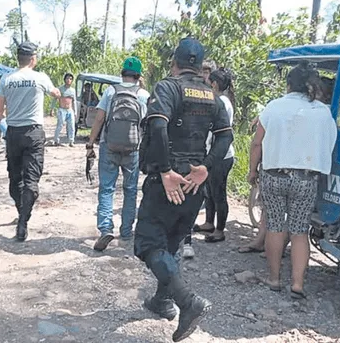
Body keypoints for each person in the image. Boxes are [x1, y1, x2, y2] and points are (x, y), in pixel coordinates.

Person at [135, 37, 233, 342]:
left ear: (175, 61)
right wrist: (205, 167)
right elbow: (226, 137)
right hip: (194, 183)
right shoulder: (212, 96)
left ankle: (187, 302)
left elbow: (158, 127)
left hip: (169, 180)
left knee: (148, 244)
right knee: (173, 243)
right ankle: (162, 301)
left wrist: (165, 170)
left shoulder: (168, 87)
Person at [248, 63, 337, 299]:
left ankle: (275, 279)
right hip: (305, 179)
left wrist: (252, 171)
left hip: (274, 175)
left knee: (275, 226)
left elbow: (257, 143)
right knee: (299, 231)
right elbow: (329, 143)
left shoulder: (274, 107)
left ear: (289, 84)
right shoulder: (322, 112)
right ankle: (297, 284)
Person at [0, 41, 62, 242]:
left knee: (15, 178)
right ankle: (23, 221)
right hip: (34, 133)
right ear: (33, 59)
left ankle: (21, 214)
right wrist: (55, 91)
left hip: (13, 133)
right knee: (31, 180)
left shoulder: (7, 79)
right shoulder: (40, 78)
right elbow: (56, 93)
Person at [86, 57, 150, 251]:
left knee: (107, 188)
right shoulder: (144, 95)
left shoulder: (111, 91)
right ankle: (126, 231)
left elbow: (99, 119)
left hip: (109, 145)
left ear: (122, 73)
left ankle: (106, 228)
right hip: (133, 148)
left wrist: (90, 144)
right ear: (138, 76)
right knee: (130, 190)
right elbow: (147, 125)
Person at [187, 68, 236, 255]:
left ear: (214, 84)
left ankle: (219, 229)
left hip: (220, 156)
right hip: (213, 153)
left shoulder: (221, 102)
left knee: (218, 192)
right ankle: (209, 222)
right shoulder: (223, 100)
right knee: (209, 191)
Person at [54, 72, 76, 147]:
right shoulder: (60, 89)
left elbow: (74, 101)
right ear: (64, 79)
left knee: (71, 126)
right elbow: (55, 99)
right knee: (60, 125)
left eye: (70, 79)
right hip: (62, 110)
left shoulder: (73, 90)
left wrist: (75, 111)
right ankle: (56, 140)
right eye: (67, 78)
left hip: (69, 110)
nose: (69, 80)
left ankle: (71, 141)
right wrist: (52, 109)